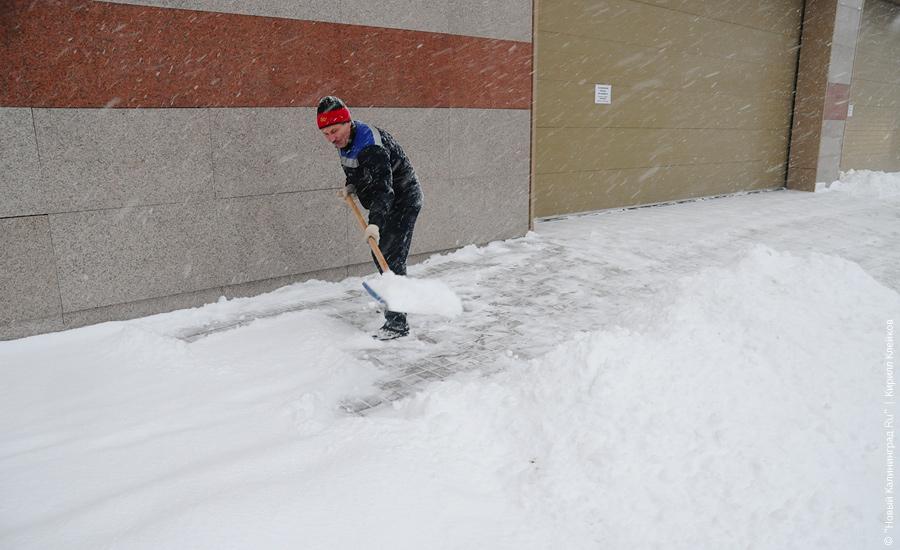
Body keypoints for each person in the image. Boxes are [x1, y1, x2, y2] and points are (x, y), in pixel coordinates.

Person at [317, 96, 424, 340]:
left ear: (347, 122)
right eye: (325, 134)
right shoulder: (346, 142)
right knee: (381, 253)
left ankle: (397, 323)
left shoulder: (370, 145)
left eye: (334, 130)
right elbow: (357, 171)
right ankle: (393, 298)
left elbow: (383, 189)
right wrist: (351, 186)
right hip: (385, 203)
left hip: (403, 200)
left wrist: (375, 222)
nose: (331, 138)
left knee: (391, 257)